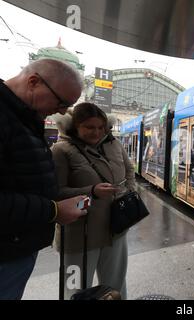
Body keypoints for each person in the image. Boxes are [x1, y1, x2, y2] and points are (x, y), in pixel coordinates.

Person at [0, 59, 88, 300]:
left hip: (16, 245)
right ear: (33, 82)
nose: (61, 111)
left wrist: (60, 201)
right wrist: (53, 210)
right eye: (61, 102)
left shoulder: (23, 116)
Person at [51, 102, 136, 299]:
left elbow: (129, 170)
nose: (96, 132)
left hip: (116, 230)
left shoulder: (114, 144)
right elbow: (56, 192)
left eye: (101, 127)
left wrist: (128, 192)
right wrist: (92, 191)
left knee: (115, 286)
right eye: (89, 127)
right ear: (75, 127)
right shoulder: (61, 150)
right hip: (77, 236)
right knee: (75, 289)